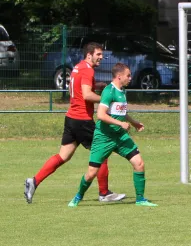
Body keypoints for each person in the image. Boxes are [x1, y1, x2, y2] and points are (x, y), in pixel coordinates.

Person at [24, 42, 125, 204]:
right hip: (82, 120)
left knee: (63, 156)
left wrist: (96, 85)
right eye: (98, 54)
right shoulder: (87, 70)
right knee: (102, 153)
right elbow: (86, 95)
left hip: (71, 118)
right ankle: (104, 193)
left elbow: (80, 88)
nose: (101, 57)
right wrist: (107, 100)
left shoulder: (78, 67)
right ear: (89, 54)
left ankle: (34, 181)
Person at [68, 63, 156, 207]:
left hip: (120, 137)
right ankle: (78, 197)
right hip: (104, 137)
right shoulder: (109, 92)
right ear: (119, 76)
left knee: (139, 163)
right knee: (91, 173)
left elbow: (121, 112)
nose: (130, 78)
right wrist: (120, 124)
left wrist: (134, 123)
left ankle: (140, 199)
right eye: (128, 75)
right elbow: (101, 115)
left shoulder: (122, 91)